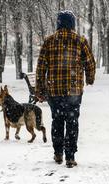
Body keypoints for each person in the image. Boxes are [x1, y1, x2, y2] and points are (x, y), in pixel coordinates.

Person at [35, 10, 96, 168]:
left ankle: (58, 153)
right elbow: (90, 63)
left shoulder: (49, 41)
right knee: (72, 121)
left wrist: (40, 89)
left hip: (54, 90)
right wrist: (89, 78)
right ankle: (70, 155)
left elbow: (41, 67)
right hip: (73, 91)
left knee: (57, 120)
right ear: (72, 24)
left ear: (58, 23)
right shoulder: (80, 41)